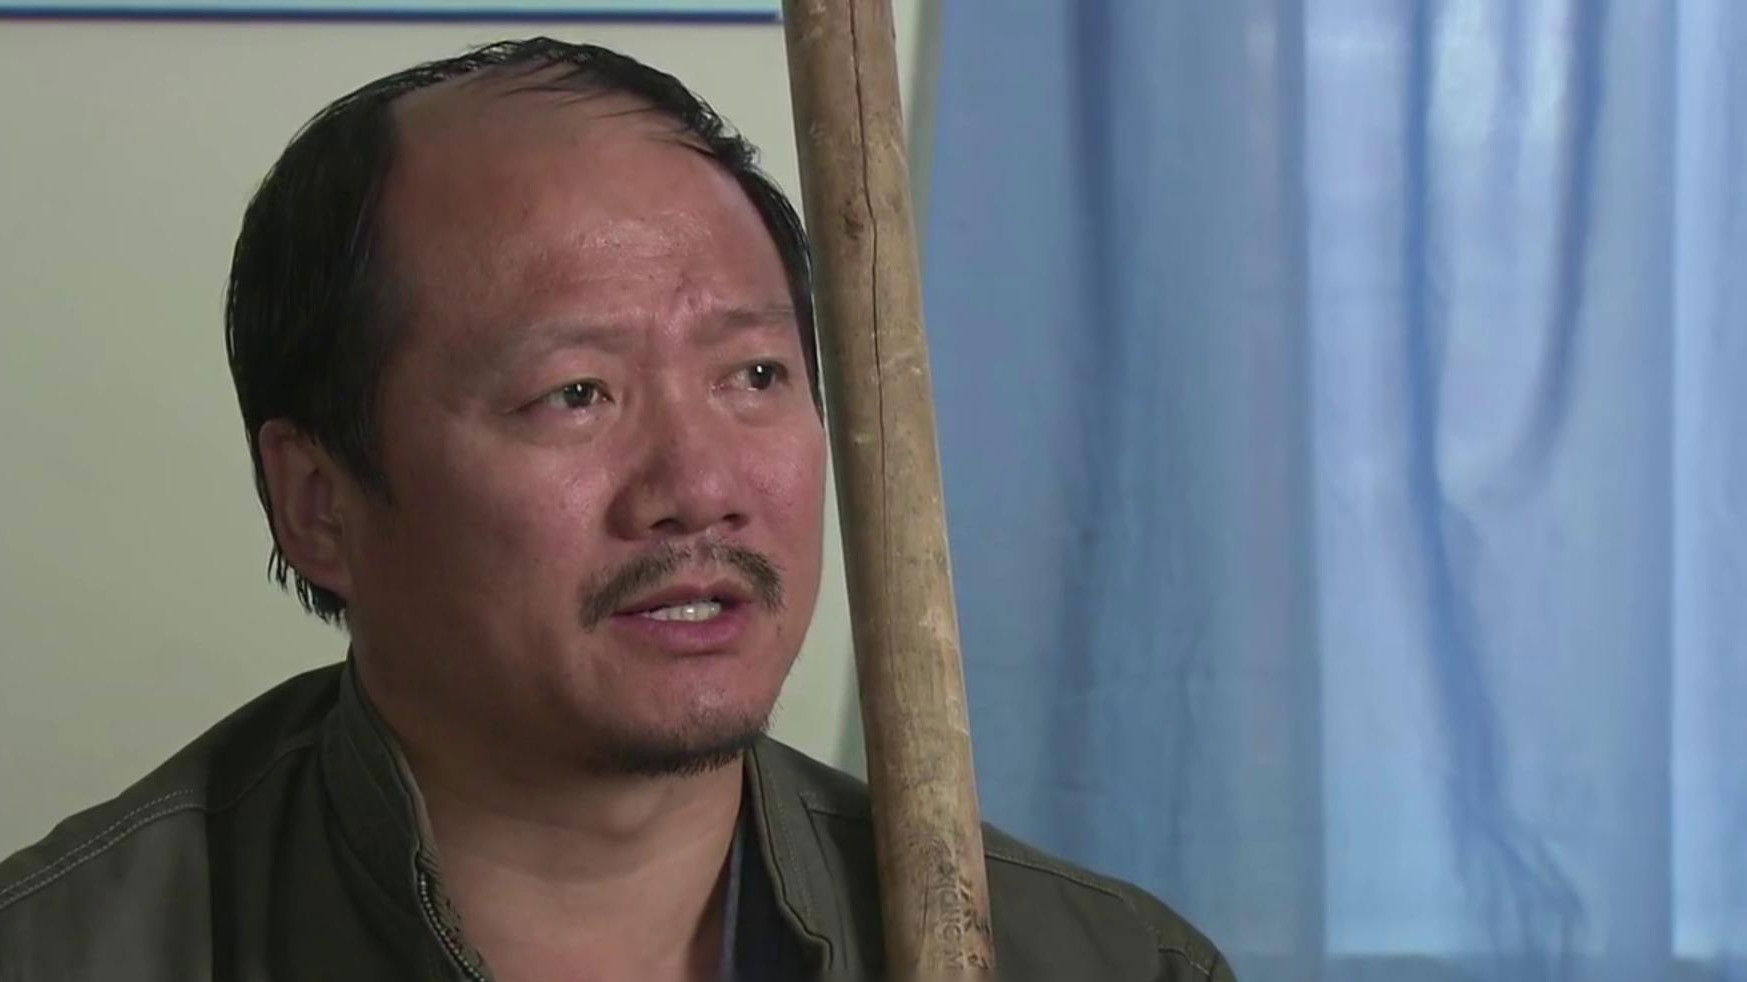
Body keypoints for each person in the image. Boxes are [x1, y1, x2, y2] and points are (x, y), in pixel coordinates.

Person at [0, 38, 1232, 981]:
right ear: (318, 503)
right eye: (574, 393)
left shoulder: (1104, 962)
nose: (699, 487)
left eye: (754, 375)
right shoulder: (78, 948)